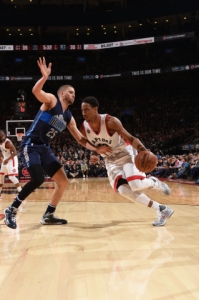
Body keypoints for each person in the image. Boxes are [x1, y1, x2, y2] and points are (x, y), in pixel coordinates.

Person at [3, 57, 112, 229]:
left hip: (44, 148)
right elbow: (35, 91)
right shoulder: (52, 101)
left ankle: (48, 214)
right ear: (62, 94)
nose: (73, 94)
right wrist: (44, 77)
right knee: (38, 178)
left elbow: (80, 139)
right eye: (70, 92)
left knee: (63, 181)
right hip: (30, 144)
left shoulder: (68, 117)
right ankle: (11, 209)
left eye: (74, 93)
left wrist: (97, 148)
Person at [80, 96, 174, 226]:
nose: (84, 113)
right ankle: (162, 209)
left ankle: (153, 182)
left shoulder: (110, 122)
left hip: (126, 153)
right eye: (82, 110)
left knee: (135, 184)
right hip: (110, 160)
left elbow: (131, 137)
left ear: (96, 109)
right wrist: (94, 153)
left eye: (87, 109)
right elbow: (94, 144)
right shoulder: (84, 128)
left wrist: (144, 151)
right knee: (123, 190)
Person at [0, 130, 22, 199]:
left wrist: (7, 159)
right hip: (5, 159)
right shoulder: (0, 142)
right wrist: (1, 158)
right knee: (1, 176)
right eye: (2, 135)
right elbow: (1, 150)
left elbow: (15, 152)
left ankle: (21, 195)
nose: (4, 135)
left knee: (11, 177)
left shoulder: (8, 142)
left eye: (3, 135)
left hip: (11, 159)